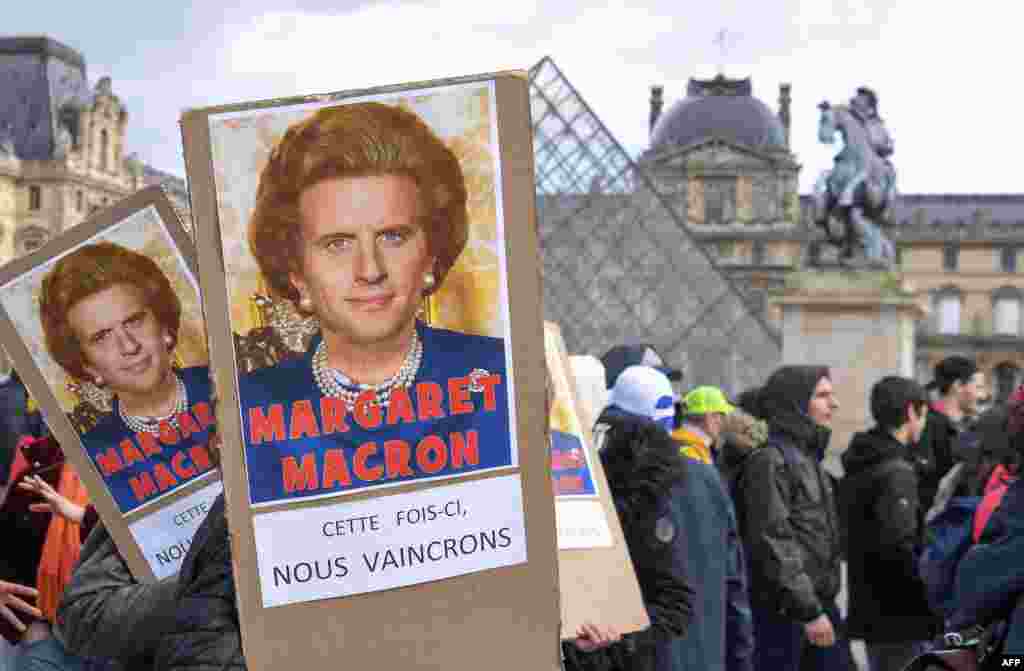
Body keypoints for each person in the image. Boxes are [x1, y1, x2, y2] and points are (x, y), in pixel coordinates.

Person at [237, 101, 512, 506]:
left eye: (393, 236)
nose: (370, 269)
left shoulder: (503, 377)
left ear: (431, 259)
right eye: (337, 243)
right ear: (297, 274)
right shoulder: (248, 410)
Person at [39, 242, 216, 515]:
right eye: (102, 337)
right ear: (87, 365)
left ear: (164, 327)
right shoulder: (92, 458)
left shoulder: (235, 390)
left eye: (134, 321)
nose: (129, 346)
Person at [723, 366, 851, 671]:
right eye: (822, 396)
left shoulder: (806, 456)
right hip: (788, 615)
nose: (833, 404)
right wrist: (808, 610)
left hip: (814, 605)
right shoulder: (771, 460)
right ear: (795, 402)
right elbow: (773, 540)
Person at [585, 365, 693, 671]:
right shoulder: (660, 485)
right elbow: (676, 602)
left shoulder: (590, 469)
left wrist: (620, 637)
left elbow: (674, 602)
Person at [840, 377, 939, 671]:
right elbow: (900, 547)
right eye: (924, 414)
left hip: (872, 609)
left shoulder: (863, 460)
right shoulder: (896, 472)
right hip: (901, 616)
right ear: (911, 412)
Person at [918, 356, 986, 516]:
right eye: (978, 387)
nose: (984, 395)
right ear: (958, 386)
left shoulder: (976, 429)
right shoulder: (924, 428)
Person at [674, 385, 735, 465]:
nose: (721, 421)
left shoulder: (685, 443)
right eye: (721, 415)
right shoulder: (691, 450)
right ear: (709, 416)